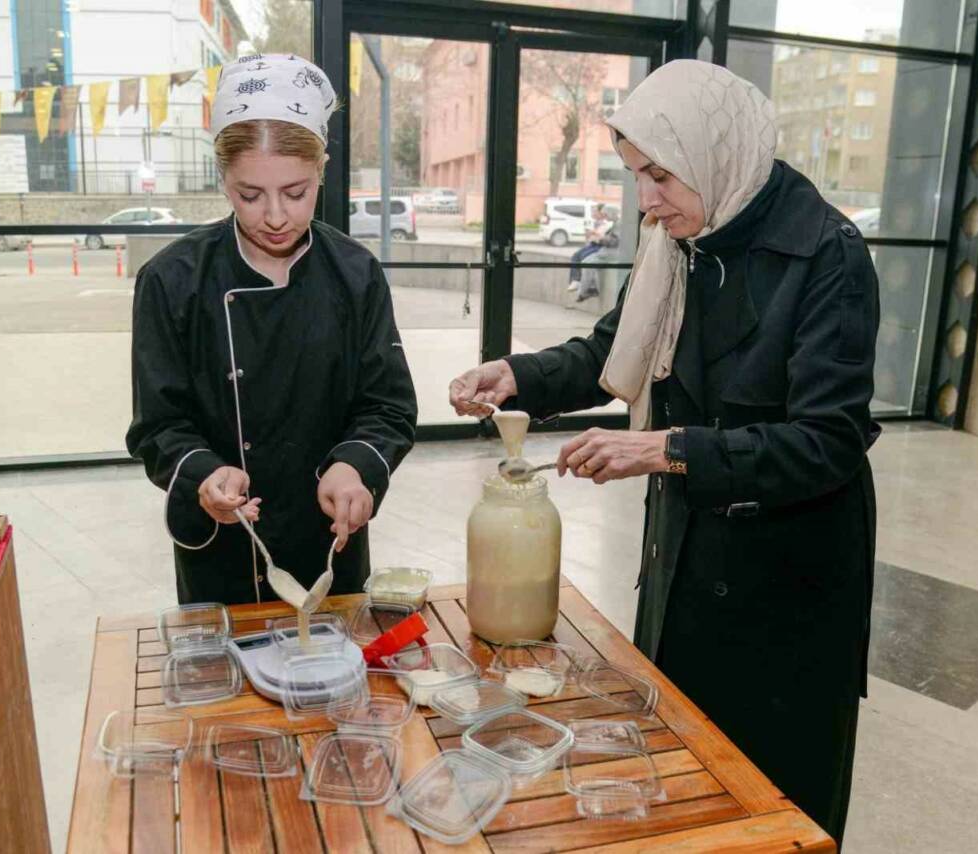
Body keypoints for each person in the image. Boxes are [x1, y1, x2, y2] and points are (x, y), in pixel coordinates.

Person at [449, 60, 878, 847]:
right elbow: (613, 349)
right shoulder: (683, 239)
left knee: (774, 800)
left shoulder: (827, 256)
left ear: (716, 155)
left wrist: (666, 448)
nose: (645, 200)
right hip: (687, 557)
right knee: (685, 767)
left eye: (658, 176)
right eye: (635, 176)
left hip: (788, 584)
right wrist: (516, 376)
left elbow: (828, 443)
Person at [127, 54, 417, 606]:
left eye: (297, 191)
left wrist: (355, 464)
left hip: (328, 535)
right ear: (223, 180)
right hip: (221, 543)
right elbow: (158, 425)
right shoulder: (172, 279)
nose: (276, 216)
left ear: (323, 171)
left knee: (334, 683)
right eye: (250, 195)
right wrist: (204, 475)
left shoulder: (355, 274)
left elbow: (389, 406)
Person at [566, 204, 611, 300]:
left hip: (600, 246)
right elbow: (592, 237)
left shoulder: (607, 223)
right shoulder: (596, 223)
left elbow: (604, 238)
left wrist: (594, 233)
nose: (593, 214)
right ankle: (575, 280)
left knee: (585, 258)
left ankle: (589, 287)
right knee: (576, 255)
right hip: (593, 244)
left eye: (595, 211)